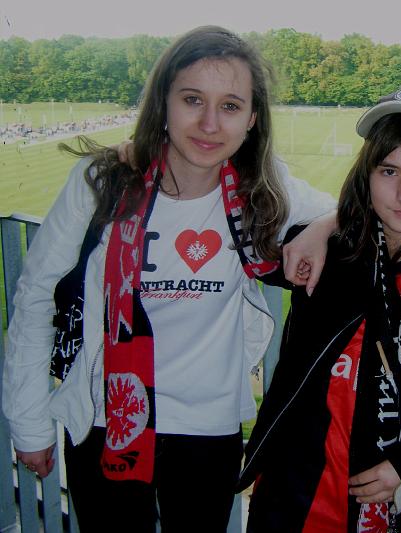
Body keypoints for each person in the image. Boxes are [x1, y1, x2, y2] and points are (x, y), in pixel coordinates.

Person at [2, 25, 334, 532]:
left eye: (230, 106)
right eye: (192, 99)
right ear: (163, 101)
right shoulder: (101, 182)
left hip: (207, 429)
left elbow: (360, 210)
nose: (209, 123)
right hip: (104, 419)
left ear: (252, 119)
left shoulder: (264, 187)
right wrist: (29, 423)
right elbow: (35, 299)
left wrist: (324, 227)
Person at [238, 84, 401, 532]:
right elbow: (233, 209)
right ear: (366, 174)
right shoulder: (331, 253)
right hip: (295, 497)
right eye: (389, 170)